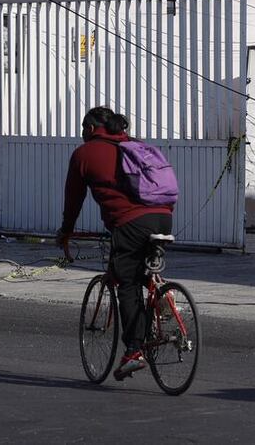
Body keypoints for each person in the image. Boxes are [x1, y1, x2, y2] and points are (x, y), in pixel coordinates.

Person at [55, 106, 173, 381]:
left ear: (92, 128)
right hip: (164, 218)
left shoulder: (84, 154)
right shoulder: (136, 146)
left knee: (127, 283)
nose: (82, 135)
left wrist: (66, 232)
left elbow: (74, 199)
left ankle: (134, 352)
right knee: (144, 273)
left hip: (129, 224)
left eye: (83, 129)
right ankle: (165, 300)